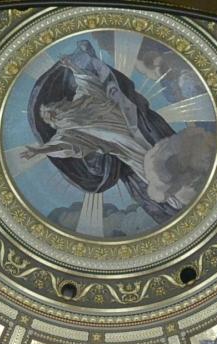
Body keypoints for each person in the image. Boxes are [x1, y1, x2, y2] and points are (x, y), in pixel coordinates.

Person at [24, 40, 185, 223]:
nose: (60, 104)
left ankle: (185, 180)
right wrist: (40, 150)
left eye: (57, 104)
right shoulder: (71, 130)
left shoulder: (82, 99)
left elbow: (86, 81)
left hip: (135, 125)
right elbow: (64, 146)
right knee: (148, 167)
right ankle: (174, 200)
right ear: (54, 116)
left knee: (165, 153)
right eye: (54, 109)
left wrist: (73, 67)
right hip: (124, 145)